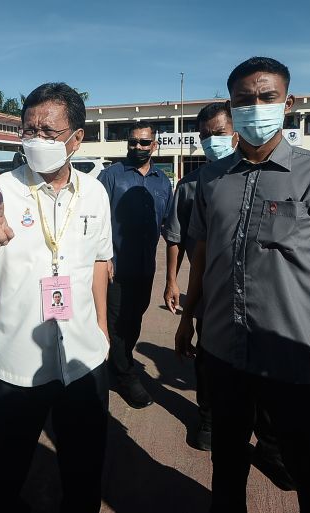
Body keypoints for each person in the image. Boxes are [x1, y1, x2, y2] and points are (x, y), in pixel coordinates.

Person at [176, 57, 310, 513]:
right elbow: (202, 252)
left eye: (267, 97)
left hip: (290, 355)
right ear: (231, 105)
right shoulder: (210, 180)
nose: (256, 106)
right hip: (223, 351)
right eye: (244, 99)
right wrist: (187, 317)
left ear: (288, 103)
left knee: (309, 469)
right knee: (227, 463)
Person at [0, 82, 112, 513]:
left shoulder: (96, 193)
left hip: (84, 355)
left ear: (76, 138)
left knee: (84, 470)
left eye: (48, 131)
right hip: (18, 360)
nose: (36, 139)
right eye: (28, 130)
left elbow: (100, 262)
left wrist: (102, 328)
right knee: (8, 469)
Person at [163, 101, 237, 450]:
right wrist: (172, 280)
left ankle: (268, 440)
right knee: (208, 359)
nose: (211, 142)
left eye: (218, 133)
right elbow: (175, 238)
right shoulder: (191, 185)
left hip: (256, 295)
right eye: (205, 136)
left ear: (235, 133)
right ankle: (207, 418)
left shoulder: (256, 177)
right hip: (207, 291)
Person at [98, 120, 172, 409]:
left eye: (143, 142)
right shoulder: (111, 176)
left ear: (154, 145)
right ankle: (124, 374)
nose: (137, 147)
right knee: (117, 323)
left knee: (135, 320)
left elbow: (167, 224)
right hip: (115, 269)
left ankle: (119, 362)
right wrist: (103, 258)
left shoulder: (162, 181)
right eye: (133, 142)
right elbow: (95, 220)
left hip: (145, 268)